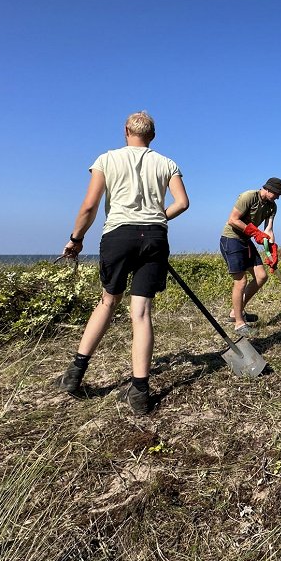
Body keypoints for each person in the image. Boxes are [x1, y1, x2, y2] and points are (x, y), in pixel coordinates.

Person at [56, 111, 189, 415]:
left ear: (126, 130)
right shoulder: (168, 163)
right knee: (140, 312)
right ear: (152, 135)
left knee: (107, 302)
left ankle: (74, 375)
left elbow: (89, 205)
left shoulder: (107, 159)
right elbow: (182, 203)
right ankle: (140, 393)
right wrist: (156, 219)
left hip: (118, 234)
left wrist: (76, 239)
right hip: (154, 236)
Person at [219, 178, 281, 336]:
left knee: (261, 276)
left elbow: (268, 230)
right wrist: (255, 232)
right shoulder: (249, 197)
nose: (277, 197)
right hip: (231, 240)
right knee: (241, 281)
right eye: (276, 193)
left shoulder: (272, 207)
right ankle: (239, 324)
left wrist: (271, 250)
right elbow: (233, 220)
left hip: (246, 241)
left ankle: (236, 312)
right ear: (267, 189)